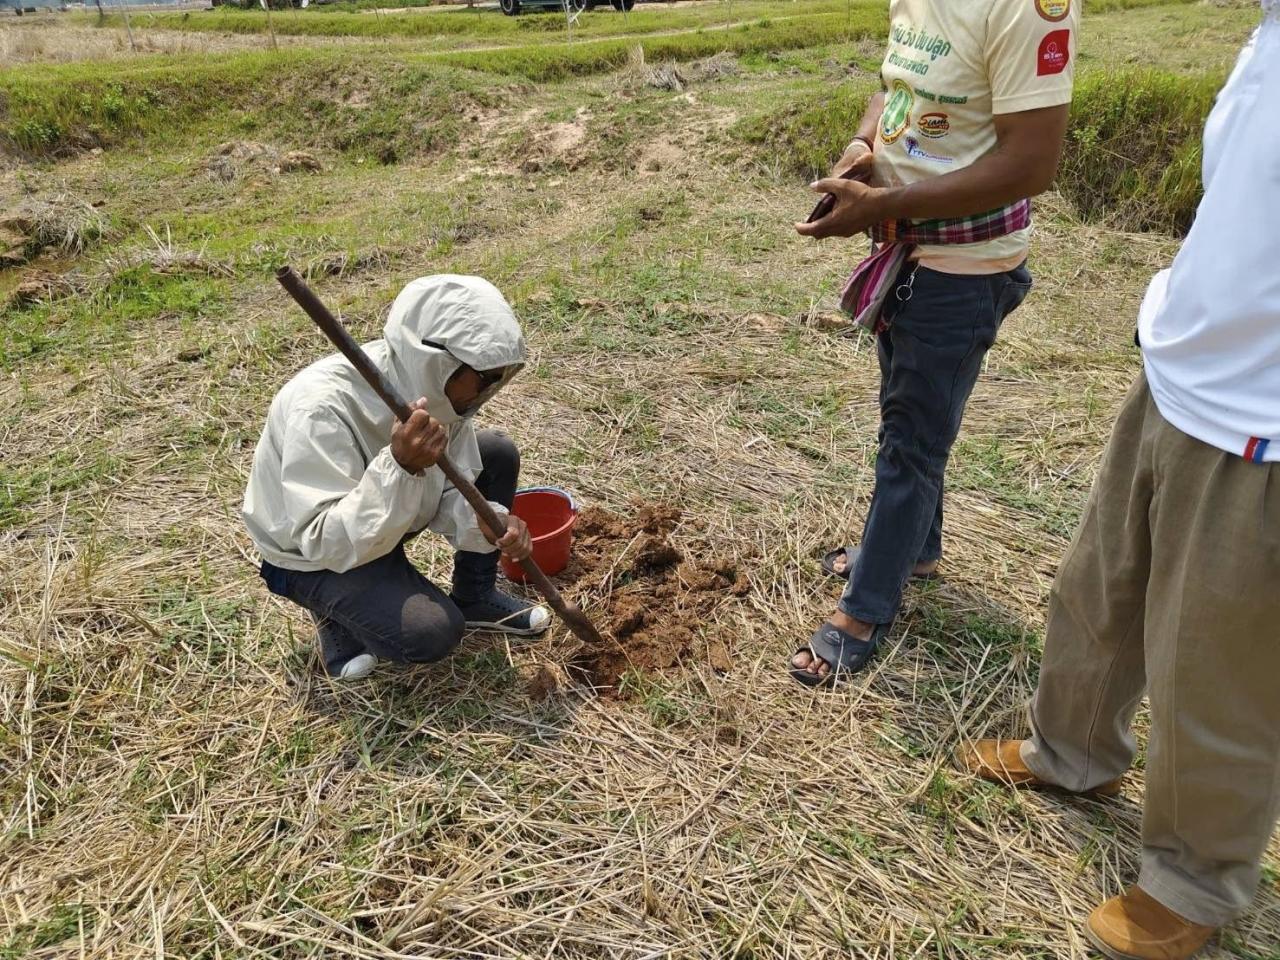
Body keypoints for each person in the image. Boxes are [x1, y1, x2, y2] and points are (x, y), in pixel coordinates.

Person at [959, 7, 1280, 957]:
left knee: (1214, 672)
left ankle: (1194, 882)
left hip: (1260, 423)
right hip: (1182, 363)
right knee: (1099, 588)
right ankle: (1074, 751)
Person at [789, 0, 1080, 687]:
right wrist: (865, 149)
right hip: (911, 250)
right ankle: (917, 552)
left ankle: (863, 612)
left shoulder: (1026, 7)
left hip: (965, 266)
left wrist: (885, 206)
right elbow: (896, 92)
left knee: (911, 444)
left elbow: (1032, 163)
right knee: (908, 417)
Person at [243, 274, 549, 680]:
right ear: (437, 359)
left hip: (379, 520)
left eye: (501, 377)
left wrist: (486, 522)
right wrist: (401, 466)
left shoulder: (438, 391)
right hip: (311, 555)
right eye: (487, 377)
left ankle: (475, 596)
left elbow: (449, 487)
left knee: (496, 453)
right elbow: (322, 538)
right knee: (430, 633)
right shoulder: (320, 408)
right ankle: (333, 612)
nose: (491, 390)